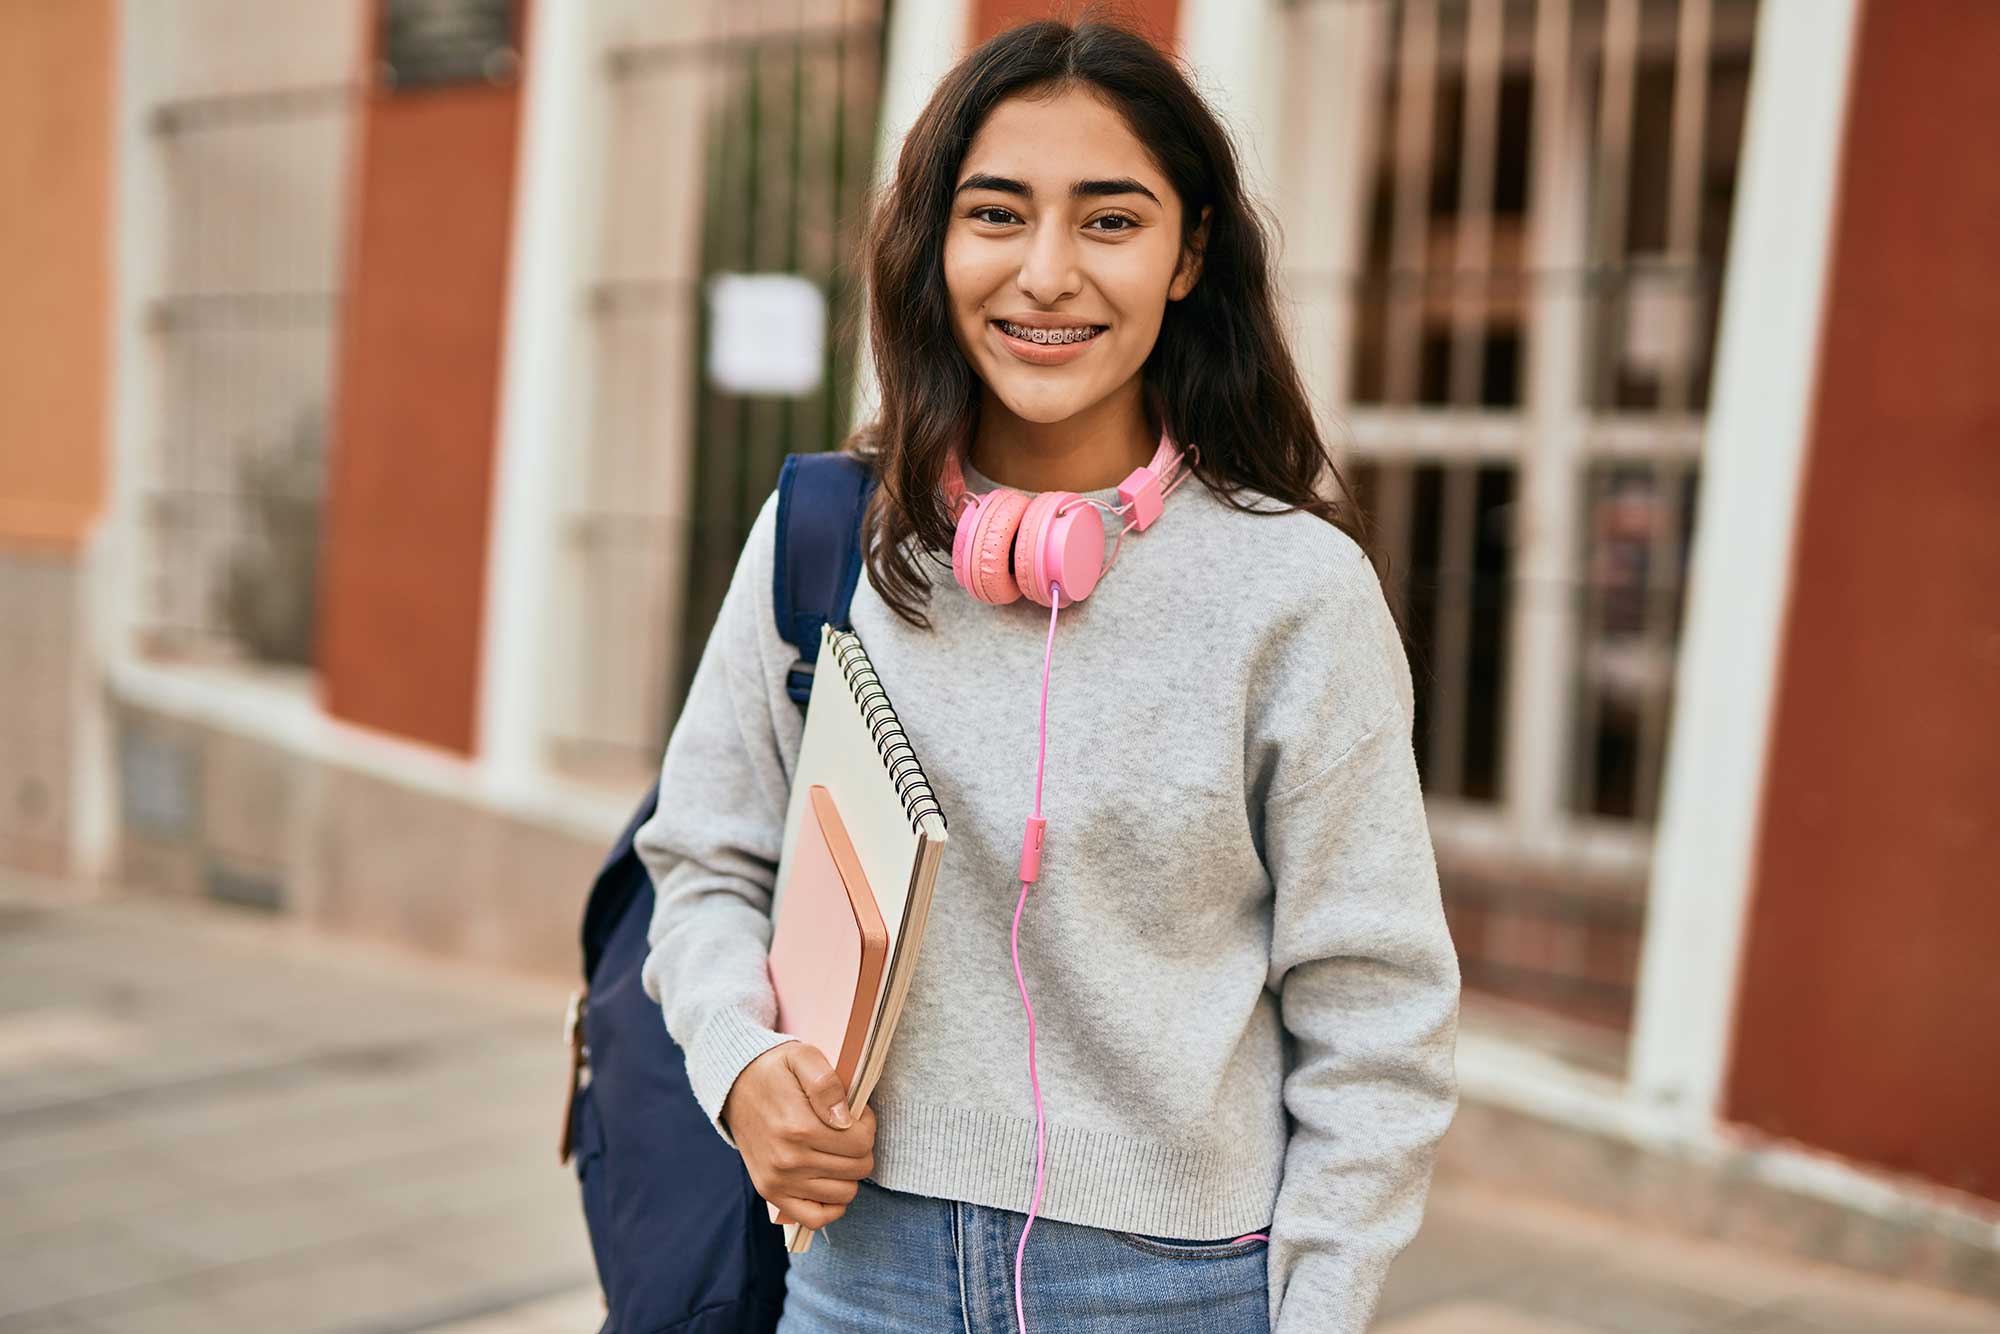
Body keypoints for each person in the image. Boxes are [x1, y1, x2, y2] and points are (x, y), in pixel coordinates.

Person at [635, 16, 1460, 1334]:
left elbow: (1379, 1022)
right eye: (997, 214)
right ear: (935, 243)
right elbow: (704, 867)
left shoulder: (1295, 593)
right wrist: (744, 1066)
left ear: (1191, 252)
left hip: (1179, 1289)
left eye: (1111, 221)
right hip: (858, 1275)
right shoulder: (826, 538)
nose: (1045, 273)